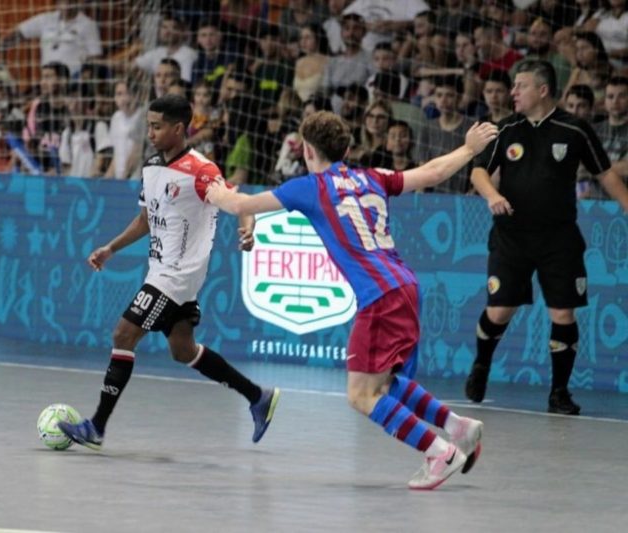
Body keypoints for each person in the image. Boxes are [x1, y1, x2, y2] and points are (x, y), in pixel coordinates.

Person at [206, 110, 497, 490]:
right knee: (386, 382)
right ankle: (459, 427)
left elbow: (239, 205)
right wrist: (468, 148)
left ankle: (438, 452)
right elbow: (432, 173)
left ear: (307, 150)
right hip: (406, 287)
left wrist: (210, 188)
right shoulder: (371, 177)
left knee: (361, 395)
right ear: (345, 148)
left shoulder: (309, 187)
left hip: (380, 297)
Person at [58, 94, 280, 451]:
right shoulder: (151, 166)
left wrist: (248, 227)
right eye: (149, 125)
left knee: (123, 334)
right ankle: (258, 396)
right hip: (160, 271)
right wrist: (111, 248)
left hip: (179, 275)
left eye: (157, 127)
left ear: (179, 129)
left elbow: (239, 201)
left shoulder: (202, 171)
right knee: (182, 348)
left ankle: (96, 426)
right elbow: (146, 220)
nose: (150, 132)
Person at [464, 60, 628, 414]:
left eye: (519, 86)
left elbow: (605, 173)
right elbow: (478, 172)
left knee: (563, 313)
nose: (513, 93)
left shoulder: (575, 129)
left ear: (542, 90)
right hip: (511, 237)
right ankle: (481, 365)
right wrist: (493, 195)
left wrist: (627, 203)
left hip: (559, 239)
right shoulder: (503, 129)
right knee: (499, 311)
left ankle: (559, 392)